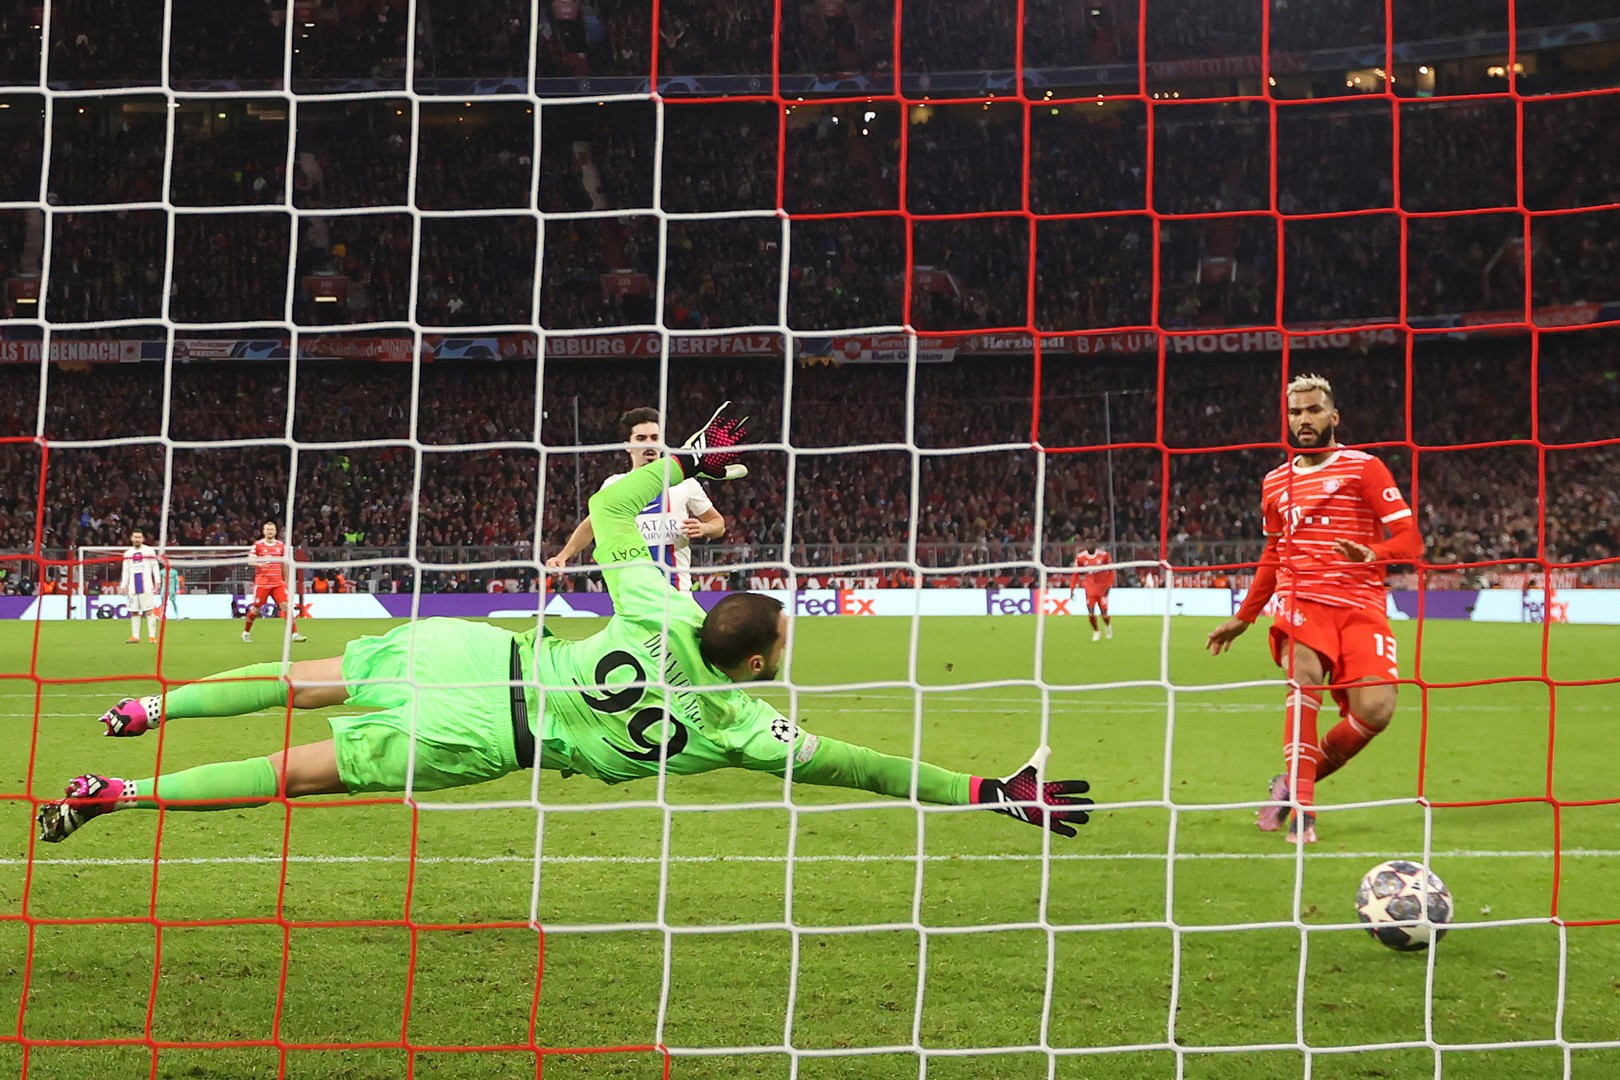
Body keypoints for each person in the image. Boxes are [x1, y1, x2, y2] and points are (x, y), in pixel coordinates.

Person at [38, 405, 1093, 844]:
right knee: (295, 772)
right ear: (760, 659)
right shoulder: (737, 726)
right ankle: (119, 795)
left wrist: (686, 463)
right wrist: (985, 790)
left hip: (478, 652)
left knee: (301, 675)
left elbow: (601, 506)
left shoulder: (657, 603)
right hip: (489, 739)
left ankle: (145, 705)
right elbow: (860, 766)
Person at [1204, 374, 1422, 844]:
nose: (1304, 419)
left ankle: (1290, 786)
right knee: (1304, 676)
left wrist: (1374, 554)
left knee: (1375, 712)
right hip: (1302, 599)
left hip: (1361, 605)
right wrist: (1245, 617)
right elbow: (1272, 554)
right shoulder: (1275, 482)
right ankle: (1305, 813)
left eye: (1314, 410)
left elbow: (1409, 538)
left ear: (1333, 416)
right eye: (1296, 412)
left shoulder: (1365, 469)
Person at [546, 407, 726, 591]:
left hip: (676, 593)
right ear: (628, 445)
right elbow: (590, 526)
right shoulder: (614, 485)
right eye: (641, 438)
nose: (649, 444)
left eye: (654, 438)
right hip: (634, 597)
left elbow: (718, 524)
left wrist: (705, 528)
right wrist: (563, 556)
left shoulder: (685, 484)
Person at [243, 522, 306, 643]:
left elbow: (284, 565)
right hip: (262, 583)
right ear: (264, 531)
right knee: (256, 610)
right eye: (268, 529)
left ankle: (295, 634)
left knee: (286, 607)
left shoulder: (281, 545)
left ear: (276, 531)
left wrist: (286, 581)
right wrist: (259, 564)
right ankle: (246, 632)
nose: (270, 531)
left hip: (278, 583)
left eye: (272, 529)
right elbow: (250, 561)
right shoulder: (258, 545)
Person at [118, 529, 162, 644]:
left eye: (139, 537)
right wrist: (123, 585)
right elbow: (126, 571)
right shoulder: (128, 553)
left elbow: (155, 566)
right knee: (134, 611)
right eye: (135, 537)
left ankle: (152, 636)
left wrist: (157, 580)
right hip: (133, 586)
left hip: (146, 585)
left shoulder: (149, 551)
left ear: (143, 539)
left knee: (149, 611)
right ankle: (135, 636)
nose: (137, 539)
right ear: (131, 538)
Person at [1072, 538, 1114, 641]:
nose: (1089, 547)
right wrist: (1072, 588)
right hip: (1090, 590)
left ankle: (1108, 626)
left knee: (1104, 614)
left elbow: (1111, 571)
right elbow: (1075, 573)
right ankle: (1096, 631)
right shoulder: (1080, 557)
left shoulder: (1104, 556)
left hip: (1102, 589)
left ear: (1095, 546)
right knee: (1091, 613)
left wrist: (1109, 585)